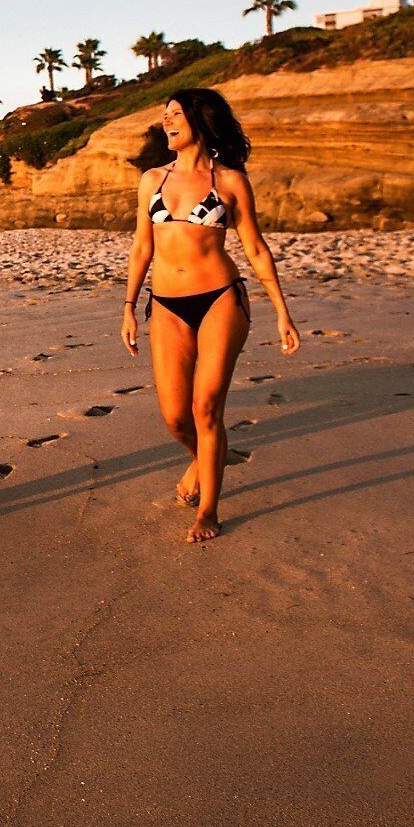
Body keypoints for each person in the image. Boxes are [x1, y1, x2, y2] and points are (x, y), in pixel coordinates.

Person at [121, 89, 301, 543]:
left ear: (200, 120)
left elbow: (255, 249)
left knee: (206, 407)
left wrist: (282, 312)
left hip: (221, 297)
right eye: (164, 117)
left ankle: (208, 510)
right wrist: (128, 306)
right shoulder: (152, 180)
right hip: (165, 303)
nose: (167, 123)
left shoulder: (231, 181)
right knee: (176, 417)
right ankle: (205, 457)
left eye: (176, 115)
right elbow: (142, 246)